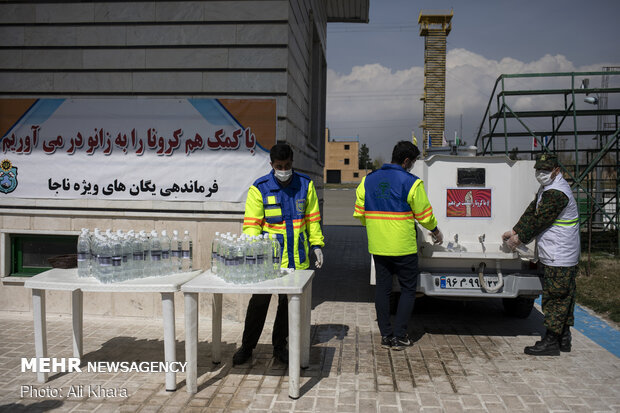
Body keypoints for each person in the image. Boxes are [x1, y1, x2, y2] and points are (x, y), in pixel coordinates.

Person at [233, 143, 325, 365]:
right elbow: (252, 226)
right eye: (279, 166)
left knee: (287, 306)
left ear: (292, 162)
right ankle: (247, 346)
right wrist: (252, 255)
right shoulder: (260, 188)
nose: (284, 170)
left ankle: (279, 347)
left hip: (297, 259)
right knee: (259, 303)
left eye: (287, 165)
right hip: (269, 261)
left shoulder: (305, 185)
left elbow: (312, 219)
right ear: (271, 164)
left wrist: (317, 245)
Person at [353, 141, 443, 350]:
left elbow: (359, 213)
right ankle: (400, 336)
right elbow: (424, 215)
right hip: (403, 247)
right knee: (408, 290)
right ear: (406, 161)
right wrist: (436, 231)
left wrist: (377, 228)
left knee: (383, 290)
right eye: (412, 163)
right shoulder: (411, 182)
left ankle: (386, 336)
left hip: (378, 245)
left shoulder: (367, 180)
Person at [502, 153, 580, 356]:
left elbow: (540, 221)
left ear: (557, 171)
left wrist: (519, 239)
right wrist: (515, 230)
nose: (541, 174)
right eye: (539, 170)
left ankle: (551, 341)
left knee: (556, 297)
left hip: (560, 253)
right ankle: (564, 338)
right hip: (557, 252)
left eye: (546, 170)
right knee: (564, 295)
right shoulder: (548, 188)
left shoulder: (557, 193)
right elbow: (532, 211)